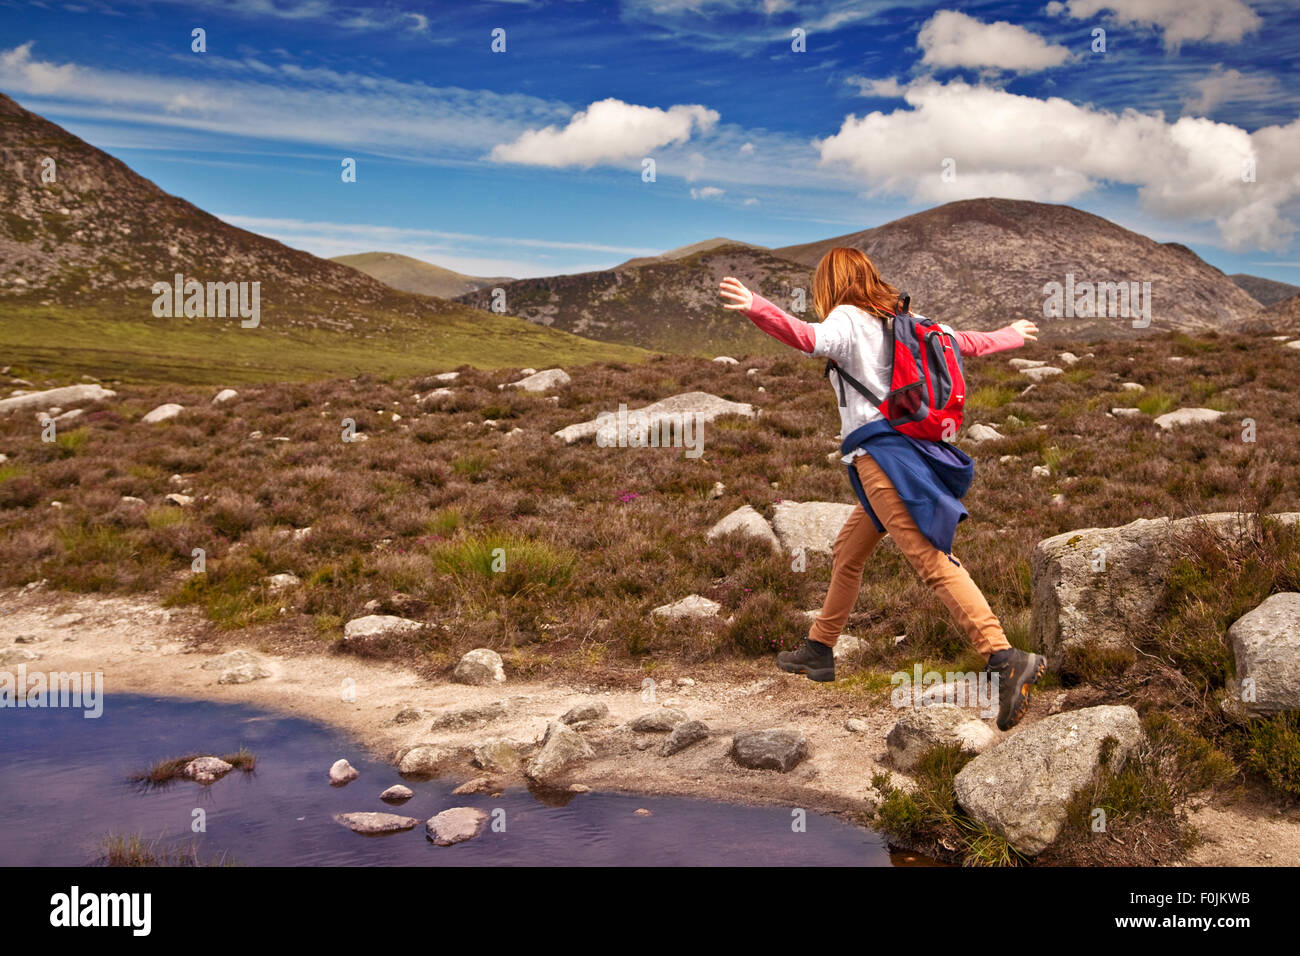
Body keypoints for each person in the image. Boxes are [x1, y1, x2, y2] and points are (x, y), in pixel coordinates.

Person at [718, 247, 1046, 731]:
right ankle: (819, 650)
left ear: (829, 285)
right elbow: (969, 343)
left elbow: (807, 338)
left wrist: (756, 306)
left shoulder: (848, 319)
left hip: (883, 459)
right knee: (847, 552)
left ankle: (1002, 656)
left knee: (929, 560)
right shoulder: (912, 320)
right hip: (914, 453)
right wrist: (1011, 336)